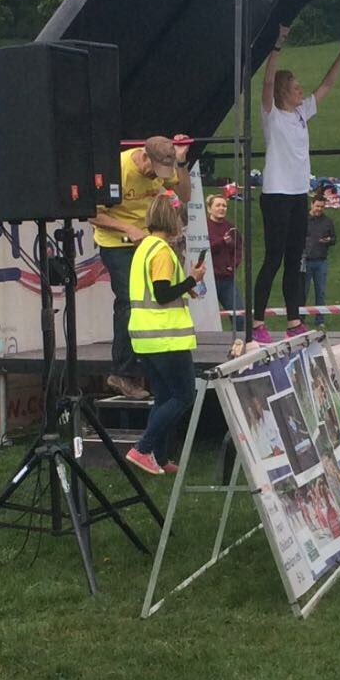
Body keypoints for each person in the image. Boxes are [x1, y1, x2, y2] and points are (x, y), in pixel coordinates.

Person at [252, 24, 340, 344]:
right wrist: (277, 44)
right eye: (295, 88)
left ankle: (294, 319)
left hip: (297, 194)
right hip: (276, 194)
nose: (301, 91)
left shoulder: (300, 113)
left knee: (296, 258)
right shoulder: (272, 114)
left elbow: (327, 85)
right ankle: (257, 322)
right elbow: (267, 81)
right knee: (274, 257)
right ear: (284, 92)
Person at [91, 135, 191, 400]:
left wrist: (181, 162)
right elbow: (91, 212)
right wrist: (128, 228)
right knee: (128, 299)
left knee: (155, 297)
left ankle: (147, 362)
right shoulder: (118, 168)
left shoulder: (163, 168)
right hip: (115, 242)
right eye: (152, 170)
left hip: (144, 241)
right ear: (144, 156)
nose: (154, 177)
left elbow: (184, 194)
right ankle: (122, 372)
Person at [125, 193, 204, 475]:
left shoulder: (144, 247)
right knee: (183, 395)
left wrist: (185, 284)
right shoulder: (161, 251)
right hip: (165, 335)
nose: (183, 224)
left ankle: (159, 456)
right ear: (172, 219)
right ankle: (143, 448)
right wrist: (191, 281)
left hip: (144, 334)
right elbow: (161, 294)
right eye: (181, 218)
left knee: (163, 397)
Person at [206, 193, 244, 336]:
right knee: (207, 317)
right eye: (218, 205)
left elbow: (238, 250)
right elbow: (205, 249)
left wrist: (233, 265)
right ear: (209, 209)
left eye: (224, 205)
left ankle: (240, 343)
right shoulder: (204, 228)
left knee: (239, 315)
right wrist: (221, 241)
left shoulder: (231, 228)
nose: (222, 208)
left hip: (227, 280)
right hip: (209, 280)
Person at [303, 197, 336, 329]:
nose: (319, 209)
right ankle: (300, 317)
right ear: (312, 205)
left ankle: (319, 319)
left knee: (320, 292)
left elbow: (334, 239)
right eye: (317, 206)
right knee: (303, 291)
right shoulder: (303, 219)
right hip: (306, 260)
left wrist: (328, 240)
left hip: (321, 260)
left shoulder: (327, 221)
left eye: (322, 207)